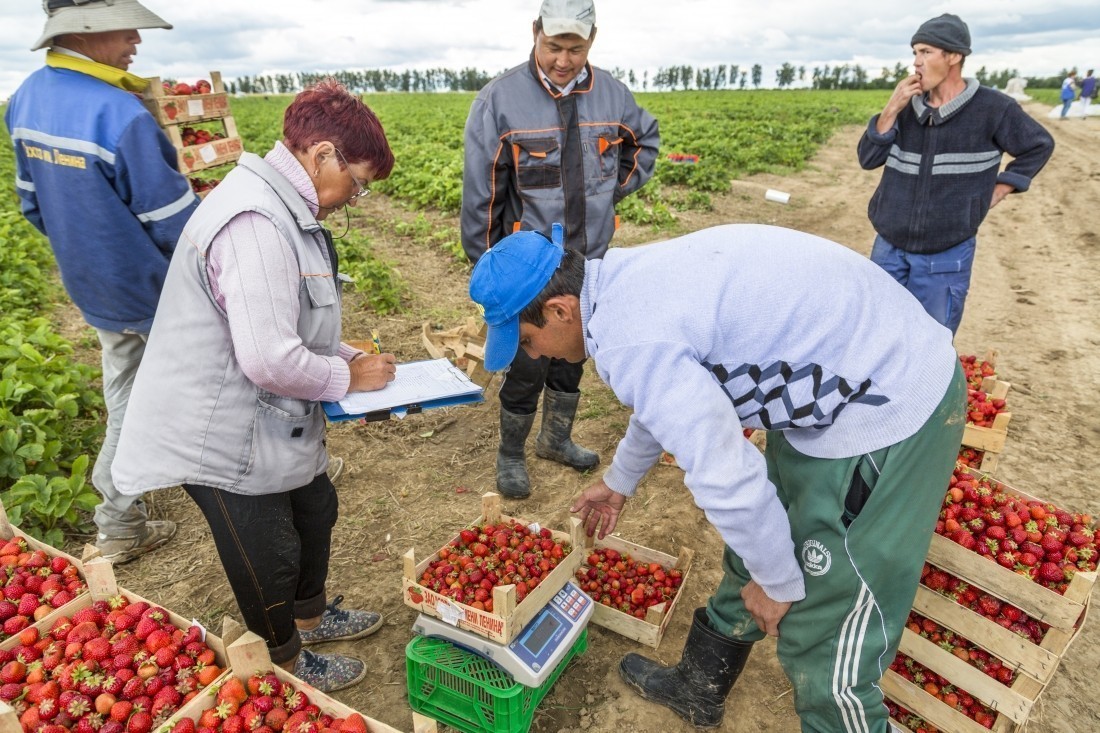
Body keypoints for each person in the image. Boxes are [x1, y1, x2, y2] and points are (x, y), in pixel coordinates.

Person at [468, 223, 967, 731]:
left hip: (887, 398)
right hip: (831, 386)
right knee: (759, 541)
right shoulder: (622, 285)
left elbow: (725, 473)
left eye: (529, 340)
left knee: (825, 626)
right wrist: (620, 480)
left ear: (560, 309)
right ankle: (699, 686)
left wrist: (777, 582)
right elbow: (662, 400)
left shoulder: (632, 336)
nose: (533, 354)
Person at [111, 79, 397, 693]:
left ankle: (311, 618)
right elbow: (269, 356)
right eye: (359, 182)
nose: (356, 197)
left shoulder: (286, 209)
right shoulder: (255, 222)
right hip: (217, 430)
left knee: (315, 508)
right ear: (323, 156)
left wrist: (348, 354)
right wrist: (347, 375)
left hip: (264, 414)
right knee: (266, 549)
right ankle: (285, 661)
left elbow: (286, 323)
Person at [4, 0, 200, 564]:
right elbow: (175, 225)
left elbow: (32, 204)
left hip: (92, 284)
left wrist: (87, 244)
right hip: (150, 288)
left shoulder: (24, 100)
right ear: (87, 33)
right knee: (186, 387)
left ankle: (123, 519)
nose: (137, 37)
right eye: (126, 25)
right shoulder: (123, 114)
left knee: (124, 389)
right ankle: (117, 521)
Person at [460, 0, 659, 499]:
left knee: (574, 353)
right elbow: (483, 194)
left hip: (588, 258)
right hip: (530, 269)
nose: (563, 60)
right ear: (535, 34)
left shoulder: (612, 94)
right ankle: (511, 453)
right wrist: (492, 271)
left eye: (575, 48)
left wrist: (611, 187)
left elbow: (645, 143)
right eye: (553, 47)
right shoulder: (499, 100)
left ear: (592, 41)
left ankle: (556, 438)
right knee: (528, 360)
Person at [857, 13, 1054, 336]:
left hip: (946, 252)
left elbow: (1039, 145)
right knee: (876, 332)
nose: (916, 63)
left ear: (954, 56)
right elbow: (868, 158)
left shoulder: (993, 109)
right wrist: (891, 109)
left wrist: (1001, 188)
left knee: (930, 339)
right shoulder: (905, 107)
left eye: (925, 52)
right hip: (889, 246)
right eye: (914, 53)